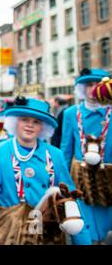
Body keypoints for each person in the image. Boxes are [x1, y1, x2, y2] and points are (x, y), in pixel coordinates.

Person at [0, 96, 91, 244]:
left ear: (43, 127)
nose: (30, 125)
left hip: (47, 232)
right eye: (25, 119)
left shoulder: (56, 155)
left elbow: (69, 195)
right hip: (9, 231)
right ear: (15, 121)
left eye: (36, 122)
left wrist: (82, 239)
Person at [60, 68, 111, 244]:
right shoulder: (70, 114)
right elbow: (66, 149)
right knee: (83, 228)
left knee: (106, 224)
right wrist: (63, 180)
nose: (93, 89)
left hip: (108, 178)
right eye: (89, 85)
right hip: (80, 177)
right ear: (82, 88)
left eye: (98, 84)